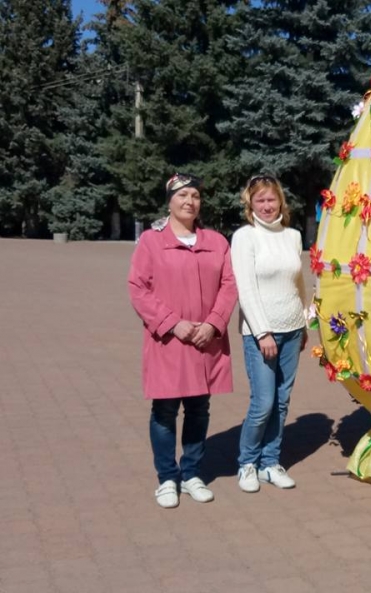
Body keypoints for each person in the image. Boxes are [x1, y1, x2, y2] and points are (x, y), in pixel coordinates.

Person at [128, 173, 238, 508]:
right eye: (182, 195)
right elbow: (137, 288)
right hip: (169, 343)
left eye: (195, 196)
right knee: (164, 409)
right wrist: (171, 324)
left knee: (199, 408)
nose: (189, 201)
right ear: (170, 201)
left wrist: (214, 323)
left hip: (205, 342)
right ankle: (166, 478)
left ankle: (190, 473)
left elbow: (229, 285)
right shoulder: (151, 241)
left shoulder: (216, 242)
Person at [231, 174, 307, 493]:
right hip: (261, 332)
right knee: (263, 402)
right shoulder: (244, 237)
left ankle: (270, 463)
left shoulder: (292, 236)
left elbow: (299, 282)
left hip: (292, 329)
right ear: (250, 203)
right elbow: (245, 288)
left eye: (271, 199)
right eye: (259, 200)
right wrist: (262, 332)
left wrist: (304, 320)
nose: (266, 205)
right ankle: (247, 463)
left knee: (282, 400)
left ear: (280, 202)